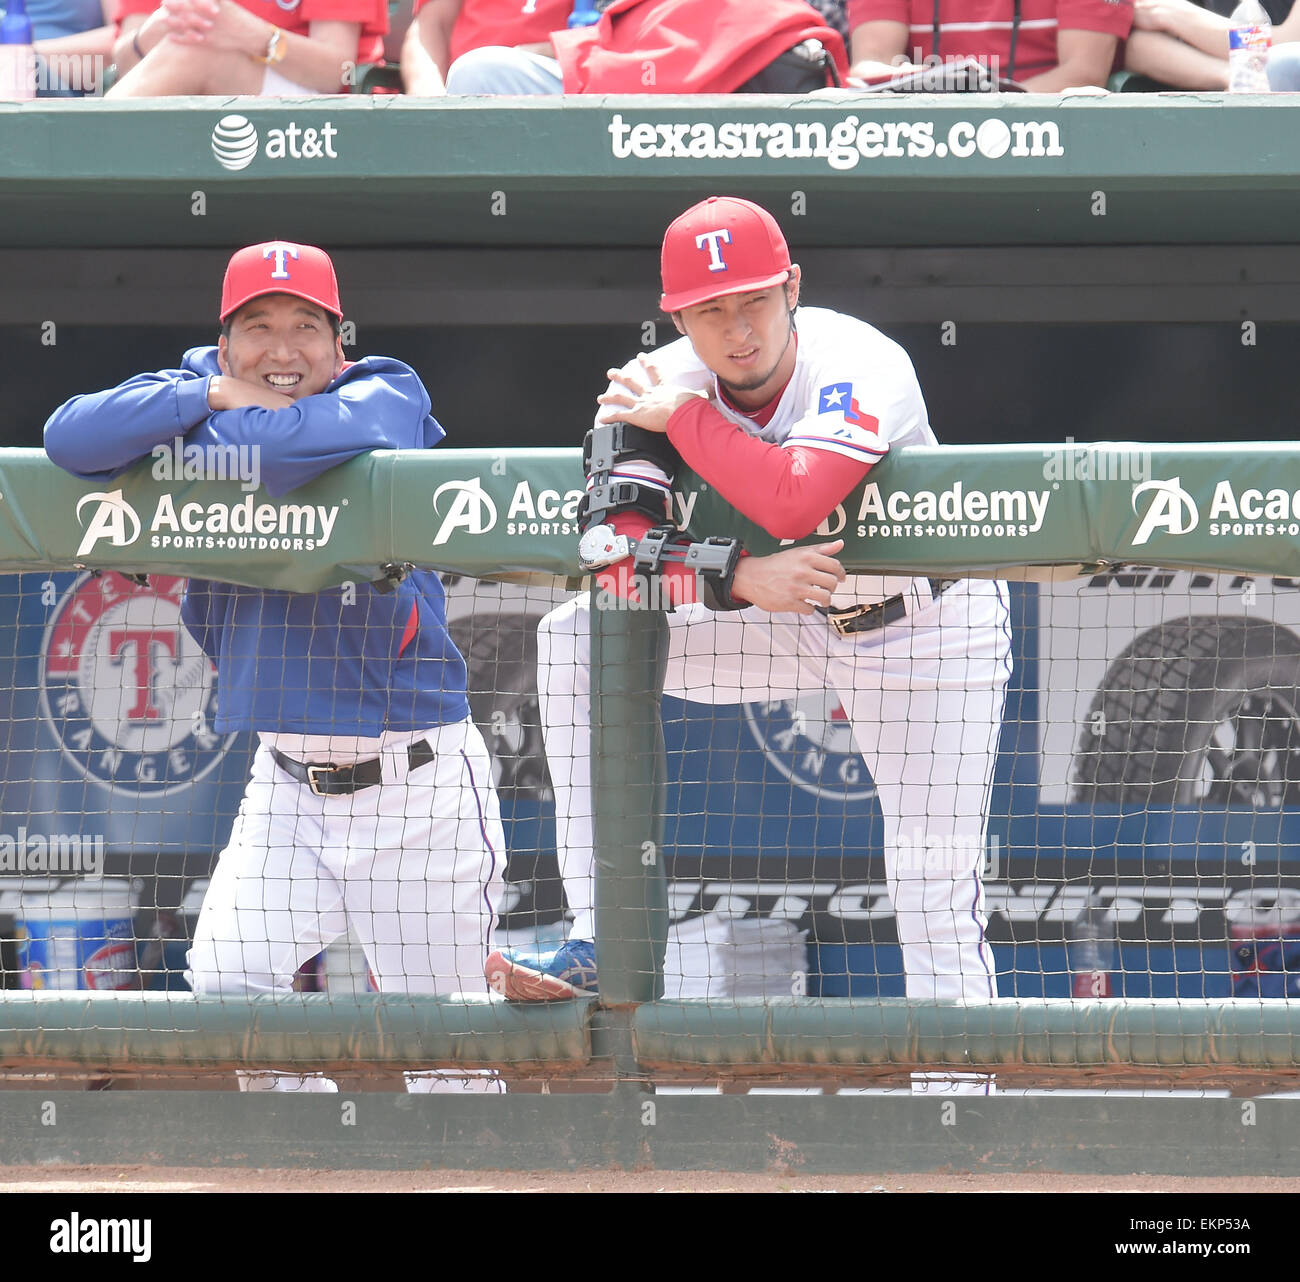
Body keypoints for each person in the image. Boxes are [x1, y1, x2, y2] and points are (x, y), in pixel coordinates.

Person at [486, 197, 1012, 1095]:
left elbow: (796, 499)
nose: (735, 331)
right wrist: (737, 579)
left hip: (926, 631)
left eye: (754, 302)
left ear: (791, 288)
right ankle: (597, 932)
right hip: (784, 618)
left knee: (931, 892)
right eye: (709, 311)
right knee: (573, 639)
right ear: (679, 316)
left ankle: (957, 1124)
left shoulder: (860, 361)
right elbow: (610, 554)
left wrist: (684, 418)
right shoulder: (651, 376)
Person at [44, 241, 504, 1094]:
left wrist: (201, 423)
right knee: (229, 993)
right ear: (224, 347)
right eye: (258, 329)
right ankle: (309, 1155)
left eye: (306, 328)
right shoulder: (191, 390)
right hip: (287, 786)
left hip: (417, 785)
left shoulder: (390, 389)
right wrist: (210, 395)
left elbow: (287, 455)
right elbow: (69, 436)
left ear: (341, 345)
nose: (282, 351)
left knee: (449, 1051)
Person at [106, 0, 386, 97]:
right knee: (193, 47)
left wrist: (251, 35)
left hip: (321, 114)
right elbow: (124, 64)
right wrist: (162, 25)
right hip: (179, 102)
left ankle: (84, 159)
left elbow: (335, 72)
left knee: (199, 51)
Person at [845, 0, 1133, 88]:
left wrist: (988, 108)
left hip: (1048, 137)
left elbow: (1084, 72)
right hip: (921, 135)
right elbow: (868, 67)